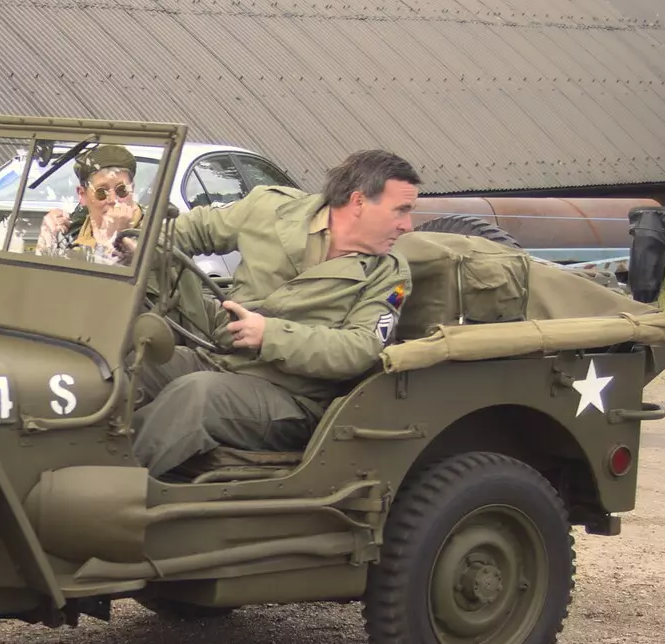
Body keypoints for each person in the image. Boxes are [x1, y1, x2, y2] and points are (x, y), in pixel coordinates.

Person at [132, 149, 420, 478]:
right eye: (401, 210)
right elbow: (193, 230)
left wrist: (270, 335)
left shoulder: (390, 275)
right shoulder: (272, 209)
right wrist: (141, 245)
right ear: (358, 202)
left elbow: (361, 348)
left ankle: (110, 489)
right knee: (130, 364)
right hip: (222, 358)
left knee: (196, 396)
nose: (407, 225)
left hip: (294, 399)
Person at [36, 144, 143, 264]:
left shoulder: (157, 231)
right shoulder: (72, 232)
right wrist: (48, 240)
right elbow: (42, 278)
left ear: (132, 189)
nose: (113, 200)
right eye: (101, 192)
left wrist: (113, 239)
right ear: (83, 195)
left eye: (122, 190)